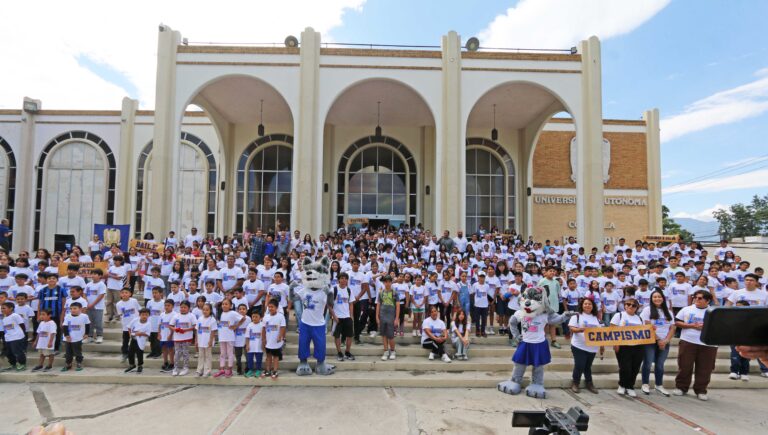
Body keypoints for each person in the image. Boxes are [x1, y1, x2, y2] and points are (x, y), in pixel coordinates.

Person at [674, 290, 718, 401]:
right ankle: (681, 387)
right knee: (684, 366)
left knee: (705, 368)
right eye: (695, 297)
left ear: (707, 300)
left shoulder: (714, 312)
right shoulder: (687, 309)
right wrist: (691, 325)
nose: (696, 300)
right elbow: (677, 322)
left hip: (708, 344)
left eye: (700, 298)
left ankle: (701, 390)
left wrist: (706, 327)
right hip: (688, 341)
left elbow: (720, 327)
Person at [639, 289, 675, 396]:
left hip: (665, 341)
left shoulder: (669, 312)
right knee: (648, 363)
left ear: (663, 299)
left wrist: (666, 340)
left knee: (660, 365)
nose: (657, 299)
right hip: (650, 341)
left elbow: (673, 327)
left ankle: (659, 385)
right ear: (651, 299)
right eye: (654, 297)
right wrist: (658, 340)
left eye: (659, 297)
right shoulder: (647, 310)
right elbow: (647, 326)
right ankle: (645, 384)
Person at [568, 298, 603, 394]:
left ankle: (589, 383)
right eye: (585, 304)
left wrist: (602, 346)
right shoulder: (577, 316)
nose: (587, 305)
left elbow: (601, 334)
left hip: (592, 347)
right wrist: (581, 329)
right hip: (579, 346)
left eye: (590, 304)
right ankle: (575, 383)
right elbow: (572, 328)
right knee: (579, 365)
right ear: (582, 305)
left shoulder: (596, 318)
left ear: (593, 306)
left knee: (588, 366)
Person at [611, 298, 644, 397]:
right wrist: (615, 344)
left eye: (633, 305)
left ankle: (630, 386)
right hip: (623, 346)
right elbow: (612, 330)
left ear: (637, 308)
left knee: (635, 368)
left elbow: (643, 332)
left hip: (638, 346)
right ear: (624, 305)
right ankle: (622, 385)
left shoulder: (639, 318)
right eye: (628, 304)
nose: (630, 306)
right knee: (625, 367)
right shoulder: (619, 315)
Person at [331, 273, 355, 361]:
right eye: (342, 278)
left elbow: (351, 303)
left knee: (349, 335)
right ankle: (339, 353)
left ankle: (347, 352)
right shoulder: (334, 289)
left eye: (345, 278)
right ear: (339, 280)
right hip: (337, 317)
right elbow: (329, 304)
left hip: (347, 317)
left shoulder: (349, 290)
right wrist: (334, 316)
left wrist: (351, 316)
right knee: (337, 336)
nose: (344, 280)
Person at [61, 301, 90, 372]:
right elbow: (65, 326)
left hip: (78, 338)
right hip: (68, 338)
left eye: (75, 308)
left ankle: (79, 363)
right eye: (71, 309)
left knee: (77, 351)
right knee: (68, 352)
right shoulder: (67, 316)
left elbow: (87, 325)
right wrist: (67, 336)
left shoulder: (84, 316)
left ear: (80, 309)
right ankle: (68, 364)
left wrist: (86, 334)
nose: (72, 310)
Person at [538, 266, 562, 349]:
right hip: (545, 307)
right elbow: (538, 293)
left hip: (554, 306)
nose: (552, 272)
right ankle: (543, 340)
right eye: (550, 271)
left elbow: (558, 294)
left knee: (553, 324)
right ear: (546, 272)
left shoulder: (556, 282)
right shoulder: (542, 281)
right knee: (544, 324)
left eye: (553, 271)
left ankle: (554, 341)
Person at [376, 275, 399, 361]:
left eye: (389, 281)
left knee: (391, 335)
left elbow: (397, 306)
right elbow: (378, 305)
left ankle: (392, 351)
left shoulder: (394, 293)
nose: (388, 283)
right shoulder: (381, 293)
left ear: (391, 282)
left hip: (391, 317)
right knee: (383, 335)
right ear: (384, 282)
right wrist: (377, 317)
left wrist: (396, 318)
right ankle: (385, 351)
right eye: (386, 282)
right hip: (382, 316)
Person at [262, 298, 286, 379]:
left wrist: (280, 336)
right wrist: (263, 339)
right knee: (268, 356)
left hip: (276, 341)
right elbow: (263, 328)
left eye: (272, 307)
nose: (270, 308)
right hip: (268, 341)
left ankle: (275, 371)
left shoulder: (280, 316)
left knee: (275, 357)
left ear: (276, 307)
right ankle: (268, 370)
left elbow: (283, 327)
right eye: (269, 307)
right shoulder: (266, 317)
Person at [171, 300, 196, 377]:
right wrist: (175, 329)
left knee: (185, 353)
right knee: (177, 353)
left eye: (185, 307)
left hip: (187, 337)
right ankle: (175, 368)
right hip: (177, 338)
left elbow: (194, 326)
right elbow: (171, 325)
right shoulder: (176, 316)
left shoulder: (191, 316)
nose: (183, 309)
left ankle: (185, 368)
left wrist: (185, 330)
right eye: (181, 307)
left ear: (188, 308)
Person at [729, 300, 753, 381]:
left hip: (747, 340)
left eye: (740, 305)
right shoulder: (732, 316)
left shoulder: (751, 317)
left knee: (745, 357)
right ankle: (734, 371)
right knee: (735, 355)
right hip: (735, 339)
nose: (737, 307)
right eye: (736, 305)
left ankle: (744, 373)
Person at [1, 302, 27, 371]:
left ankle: (22, 364)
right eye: (1, 308)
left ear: (11, 308)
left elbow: (22, 325)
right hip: (8, 338)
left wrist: (21, 334)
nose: (2, 310)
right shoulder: (4, 318)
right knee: (9, 353)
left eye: (4, 308)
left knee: (18, 352)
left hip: (17, 337)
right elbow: (6, 328)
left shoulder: (15, 315)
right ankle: (13, 364)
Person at [125, 308, 151, 373]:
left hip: (141, 341)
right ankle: (132, 365)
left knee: (139, 353)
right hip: (133, 339)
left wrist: (141, 333)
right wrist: (130, 334)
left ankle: (140, 365)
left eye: (146, 315)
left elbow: (148, 334)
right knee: (130, 352)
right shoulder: (135, 320)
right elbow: (129, 327)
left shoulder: (148, 324)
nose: (144, 316)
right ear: (139, 315)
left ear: (148, 315)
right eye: (143, 315)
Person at [84, 269, 106, 343]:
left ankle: (99, 335)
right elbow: (84, 294)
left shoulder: (101, 284)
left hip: (98, 307)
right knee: (90, 322)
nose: (93, 275)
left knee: (98, 322)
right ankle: (90, 336)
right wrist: (87, 303)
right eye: (92, 274)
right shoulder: (88, 284)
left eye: (95, 274)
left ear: (100, 276)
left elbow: (101, 295)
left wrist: (92, 304)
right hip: (88, 306)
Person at [195, 303, 217, 377]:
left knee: (208, 356)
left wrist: (211, 340)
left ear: (210, 310)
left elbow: (213, 331)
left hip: (208, 341)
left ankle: (207, 370)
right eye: (203, 309)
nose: (205, 311)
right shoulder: (200, 318)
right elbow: (197, 330)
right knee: (201, 356)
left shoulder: (212, 319)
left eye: (207, 310)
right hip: (200, 341)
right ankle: (199, 370)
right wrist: (196, 340)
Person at [244, 310, 263, 377]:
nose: (254, 318)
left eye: (256, 317)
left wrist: (263, 345)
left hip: (259, 346)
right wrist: (247, 345)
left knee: (259, 359)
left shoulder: (262, 325)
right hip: (251, 346)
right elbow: (247, 336)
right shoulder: (249, 325)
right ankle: (250, 370)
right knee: (250, 359)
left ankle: (258, 370)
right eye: (253, 317)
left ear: (260, 318)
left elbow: (264, 336)